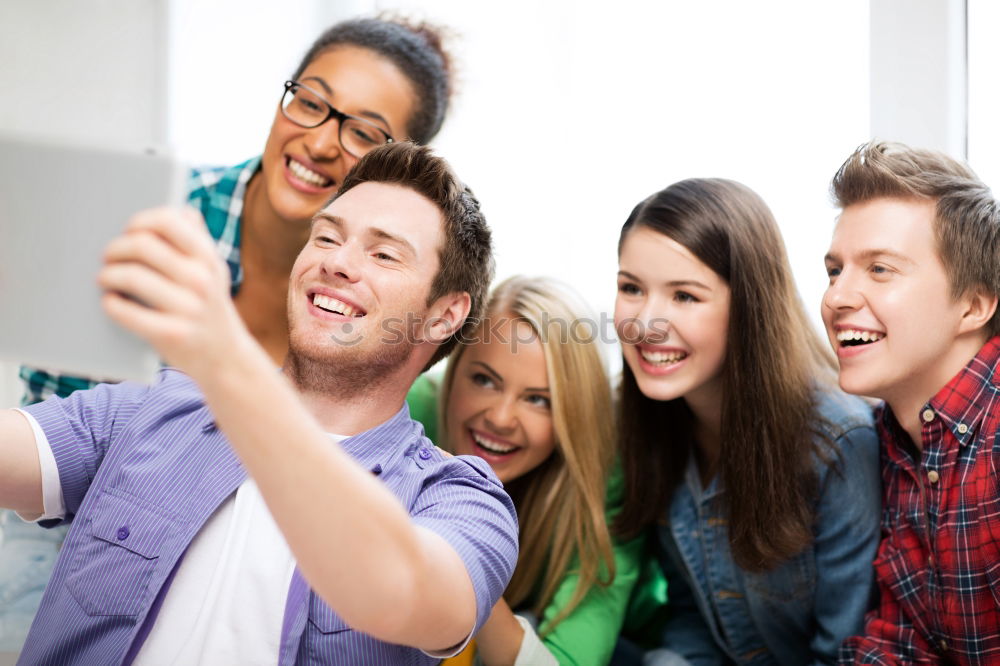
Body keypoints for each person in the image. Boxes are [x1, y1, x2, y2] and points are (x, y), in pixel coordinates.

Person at [0, 14, 454, 651]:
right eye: (311, 103)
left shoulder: (388, 351)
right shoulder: (161, 220)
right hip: (86, 506)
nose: (323, 142)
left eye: (363, 133)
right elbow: (61, 426)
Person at [612, 178, 881, 664]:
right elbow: (694, 619)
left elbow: (845, 651)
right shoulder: (652, 423)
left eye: (685, 297)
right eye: (631, 287)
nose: (646, 322)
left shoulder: (838, 441)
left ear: (749, 308)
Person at [825, 142, 1000, 664]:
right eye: (835, 270)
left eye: (879, 269)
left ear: (972, 305)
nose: (835, 297)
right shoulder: (890, 436)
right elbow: (905, 640)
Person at [430, 276, 648, 665]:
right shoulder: (410, 414)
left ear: (572, 416)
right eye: (483, 380)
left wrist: (472, 564)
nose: (499, 418)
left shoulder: (606, 485)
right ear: (453, 367)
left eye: (537, 400)